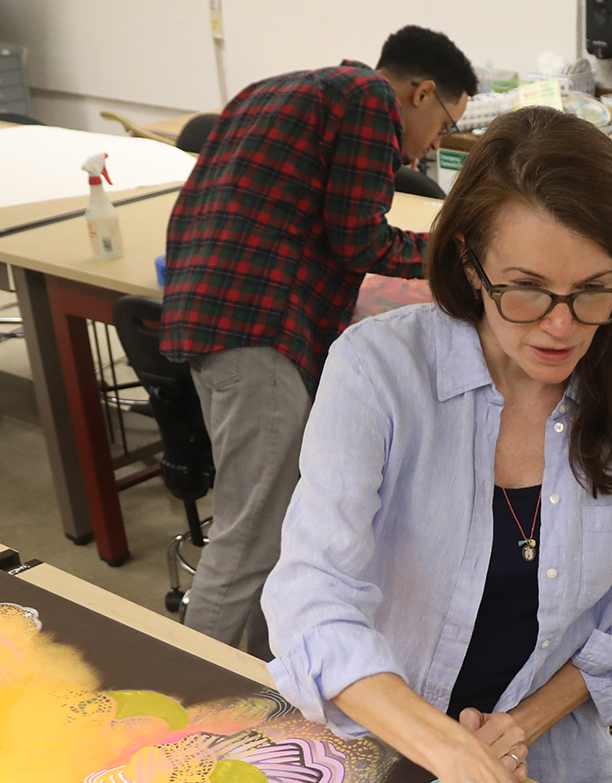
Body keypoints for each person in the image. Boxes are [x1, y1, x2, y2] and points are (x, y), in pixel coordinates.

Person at [263, 106, 612, 783]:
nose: (561, 327)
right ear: (468, 264)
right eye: (525, 291)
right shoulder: (379, 371)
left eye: (594, 292)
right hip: (375, 744)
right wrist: (451, 751)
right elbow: (312, 603)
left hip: (548, 769)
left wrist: (513, 730)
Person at [161, 25, 476, 658]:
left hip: (207, 316)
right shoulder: (368, 101)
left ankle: (260, 679)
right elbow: (358, 237)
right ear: (421, 92)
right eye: (442, 128)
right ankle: (186, 699)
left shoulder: (274, 88)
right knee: (249, 540)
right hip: (259, 333)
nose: (427, 150)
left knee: (274, 531)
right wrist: (456, 257)